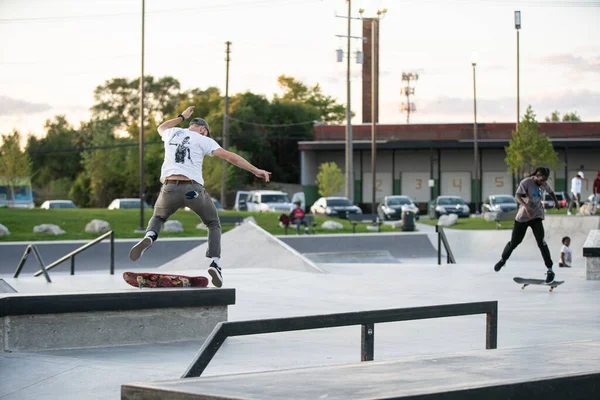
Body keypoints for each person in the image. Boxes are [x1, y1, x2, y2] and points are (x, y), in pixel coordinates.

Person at [129, 106, 271, 287]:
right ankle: (215, 263)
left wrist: (181, 116)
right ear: (203, 130)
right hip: (192, 189)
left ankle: (150, 236)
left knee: (158, 216)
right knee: (213, 223)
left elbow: (160, 127)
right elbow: (230, 157)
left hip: (169, 188)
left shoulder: (172, 133)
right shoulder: (205, 140)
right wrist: (255, 169)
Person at [494, 167, 560, 284]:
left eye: (544, 180)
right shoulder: (526, 182)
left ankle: (550, 270)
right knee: (514, 242)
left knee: (542, 242)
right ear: (537, 175)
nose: (542, 182)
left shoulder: (544, 183)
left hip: (536, 216)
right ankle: (503, 259)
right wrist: (526, 207)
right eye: (541, 180)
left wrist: (555, 202)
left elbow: (550, 192)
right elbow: (517, 196)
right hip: (523, 217)